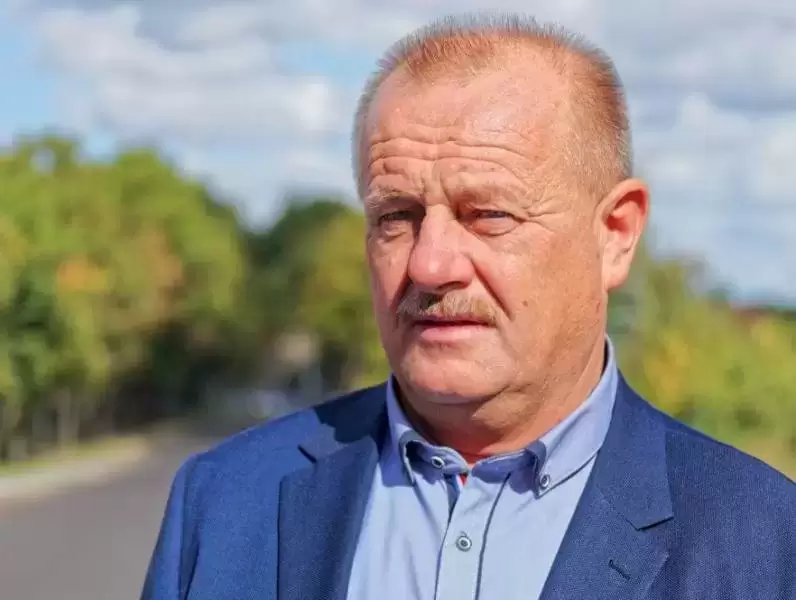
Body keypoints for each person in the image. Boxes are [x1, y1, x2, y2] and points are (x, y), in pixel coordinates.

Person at [141, 13, 795, 600]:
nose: (430, 265)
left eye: (487, 215)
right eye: (396, 216)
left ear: (615, 235)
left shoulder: (762, 543)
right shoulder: (225, 502)